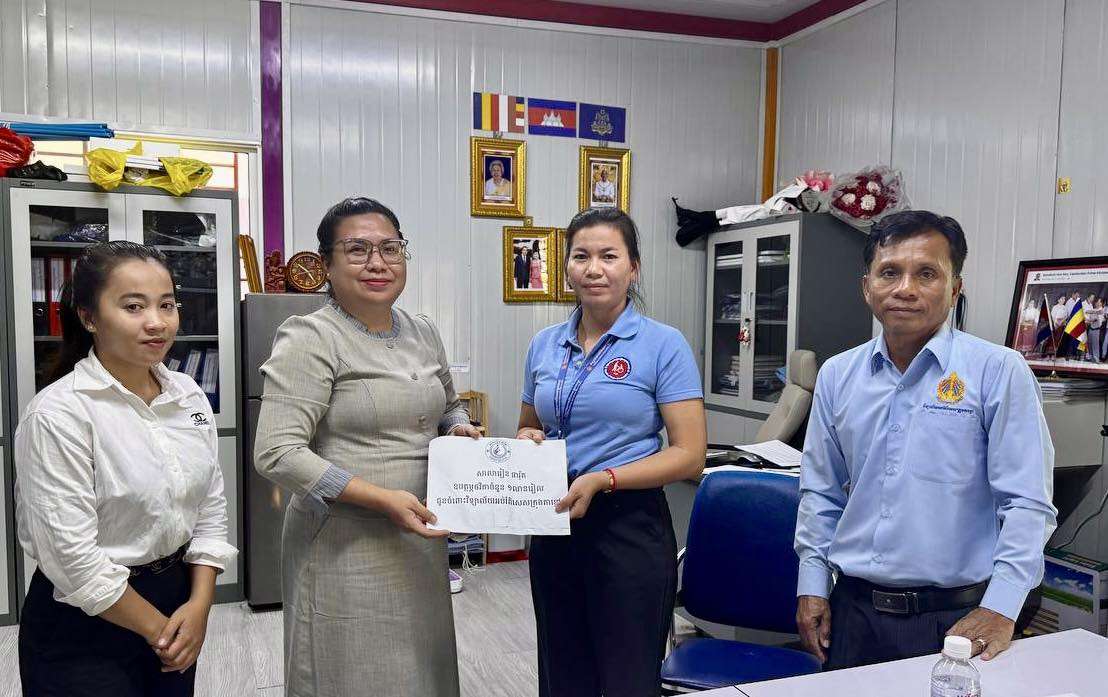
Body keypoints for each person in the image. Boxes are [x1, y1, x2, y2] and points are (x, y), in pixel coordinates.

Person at [794, 210, 1056, 671]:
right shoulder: (837, 374)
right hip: (853, 611)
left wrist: (1002, 607)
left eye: (927, 273)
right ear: (867, 287)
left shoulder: (997, 371)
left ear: (955, 290)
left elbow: (1027, 505)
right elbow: (821, 491)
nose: (905, 288)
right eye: (889, 272)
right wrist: (812, 582)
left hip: (957, 620)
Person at [253, 197, 480, 697]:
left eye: (390, 248)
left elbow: (448, 404)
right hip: (343, 543)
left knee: (421, 671)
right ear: (327, 264)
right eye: (357, 250)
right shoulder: (310, 336)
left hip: (418, 539)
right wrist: (378, 498)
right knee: (352, 674)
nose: (378, 263)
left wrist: (459, 428)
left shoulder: (423, 331)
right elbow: (277, 452)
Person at [14, 241, 236, 696]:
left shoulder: (188, 395)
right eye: (133, 306)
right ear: (89, 317)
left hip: (176, 596)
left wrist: (198, 607)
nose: (157, 322)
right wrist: (163, 631)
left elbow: (209, 507)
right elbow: (72, 560)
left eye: (167, 305)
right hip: (85, 620)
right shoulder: (59, 414)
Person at [517, 207, 707, 697]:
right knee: (562, 670)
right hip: (554, 521)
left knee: (627, 675)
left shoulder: (664, 345)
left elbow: (689, 455)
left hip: (628, 525)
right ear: (566, 267)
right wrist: (527, 442)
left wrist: (606, 479)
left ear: (633, 268)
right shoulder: (545, 344)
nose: (594, 268)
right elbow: (528, 426)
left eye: (608, 255)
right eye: (581, 256)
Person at [1085, 294, 1103, 363]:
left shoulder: (1101, 310)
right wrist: (1087, 321)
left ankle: (1096, 359)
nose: (1098, 304)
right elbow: (1089, 317)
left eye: (1099, 302)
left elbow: (1095, 319)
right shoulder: (1093, 309)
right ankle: (1091, 358)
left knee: (1095, 345)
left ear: (1101, 303)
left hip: (1097, 330)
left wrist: (1089, 312)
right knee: (1089, 344)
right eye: (1097, 302)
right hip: (1091, 329)